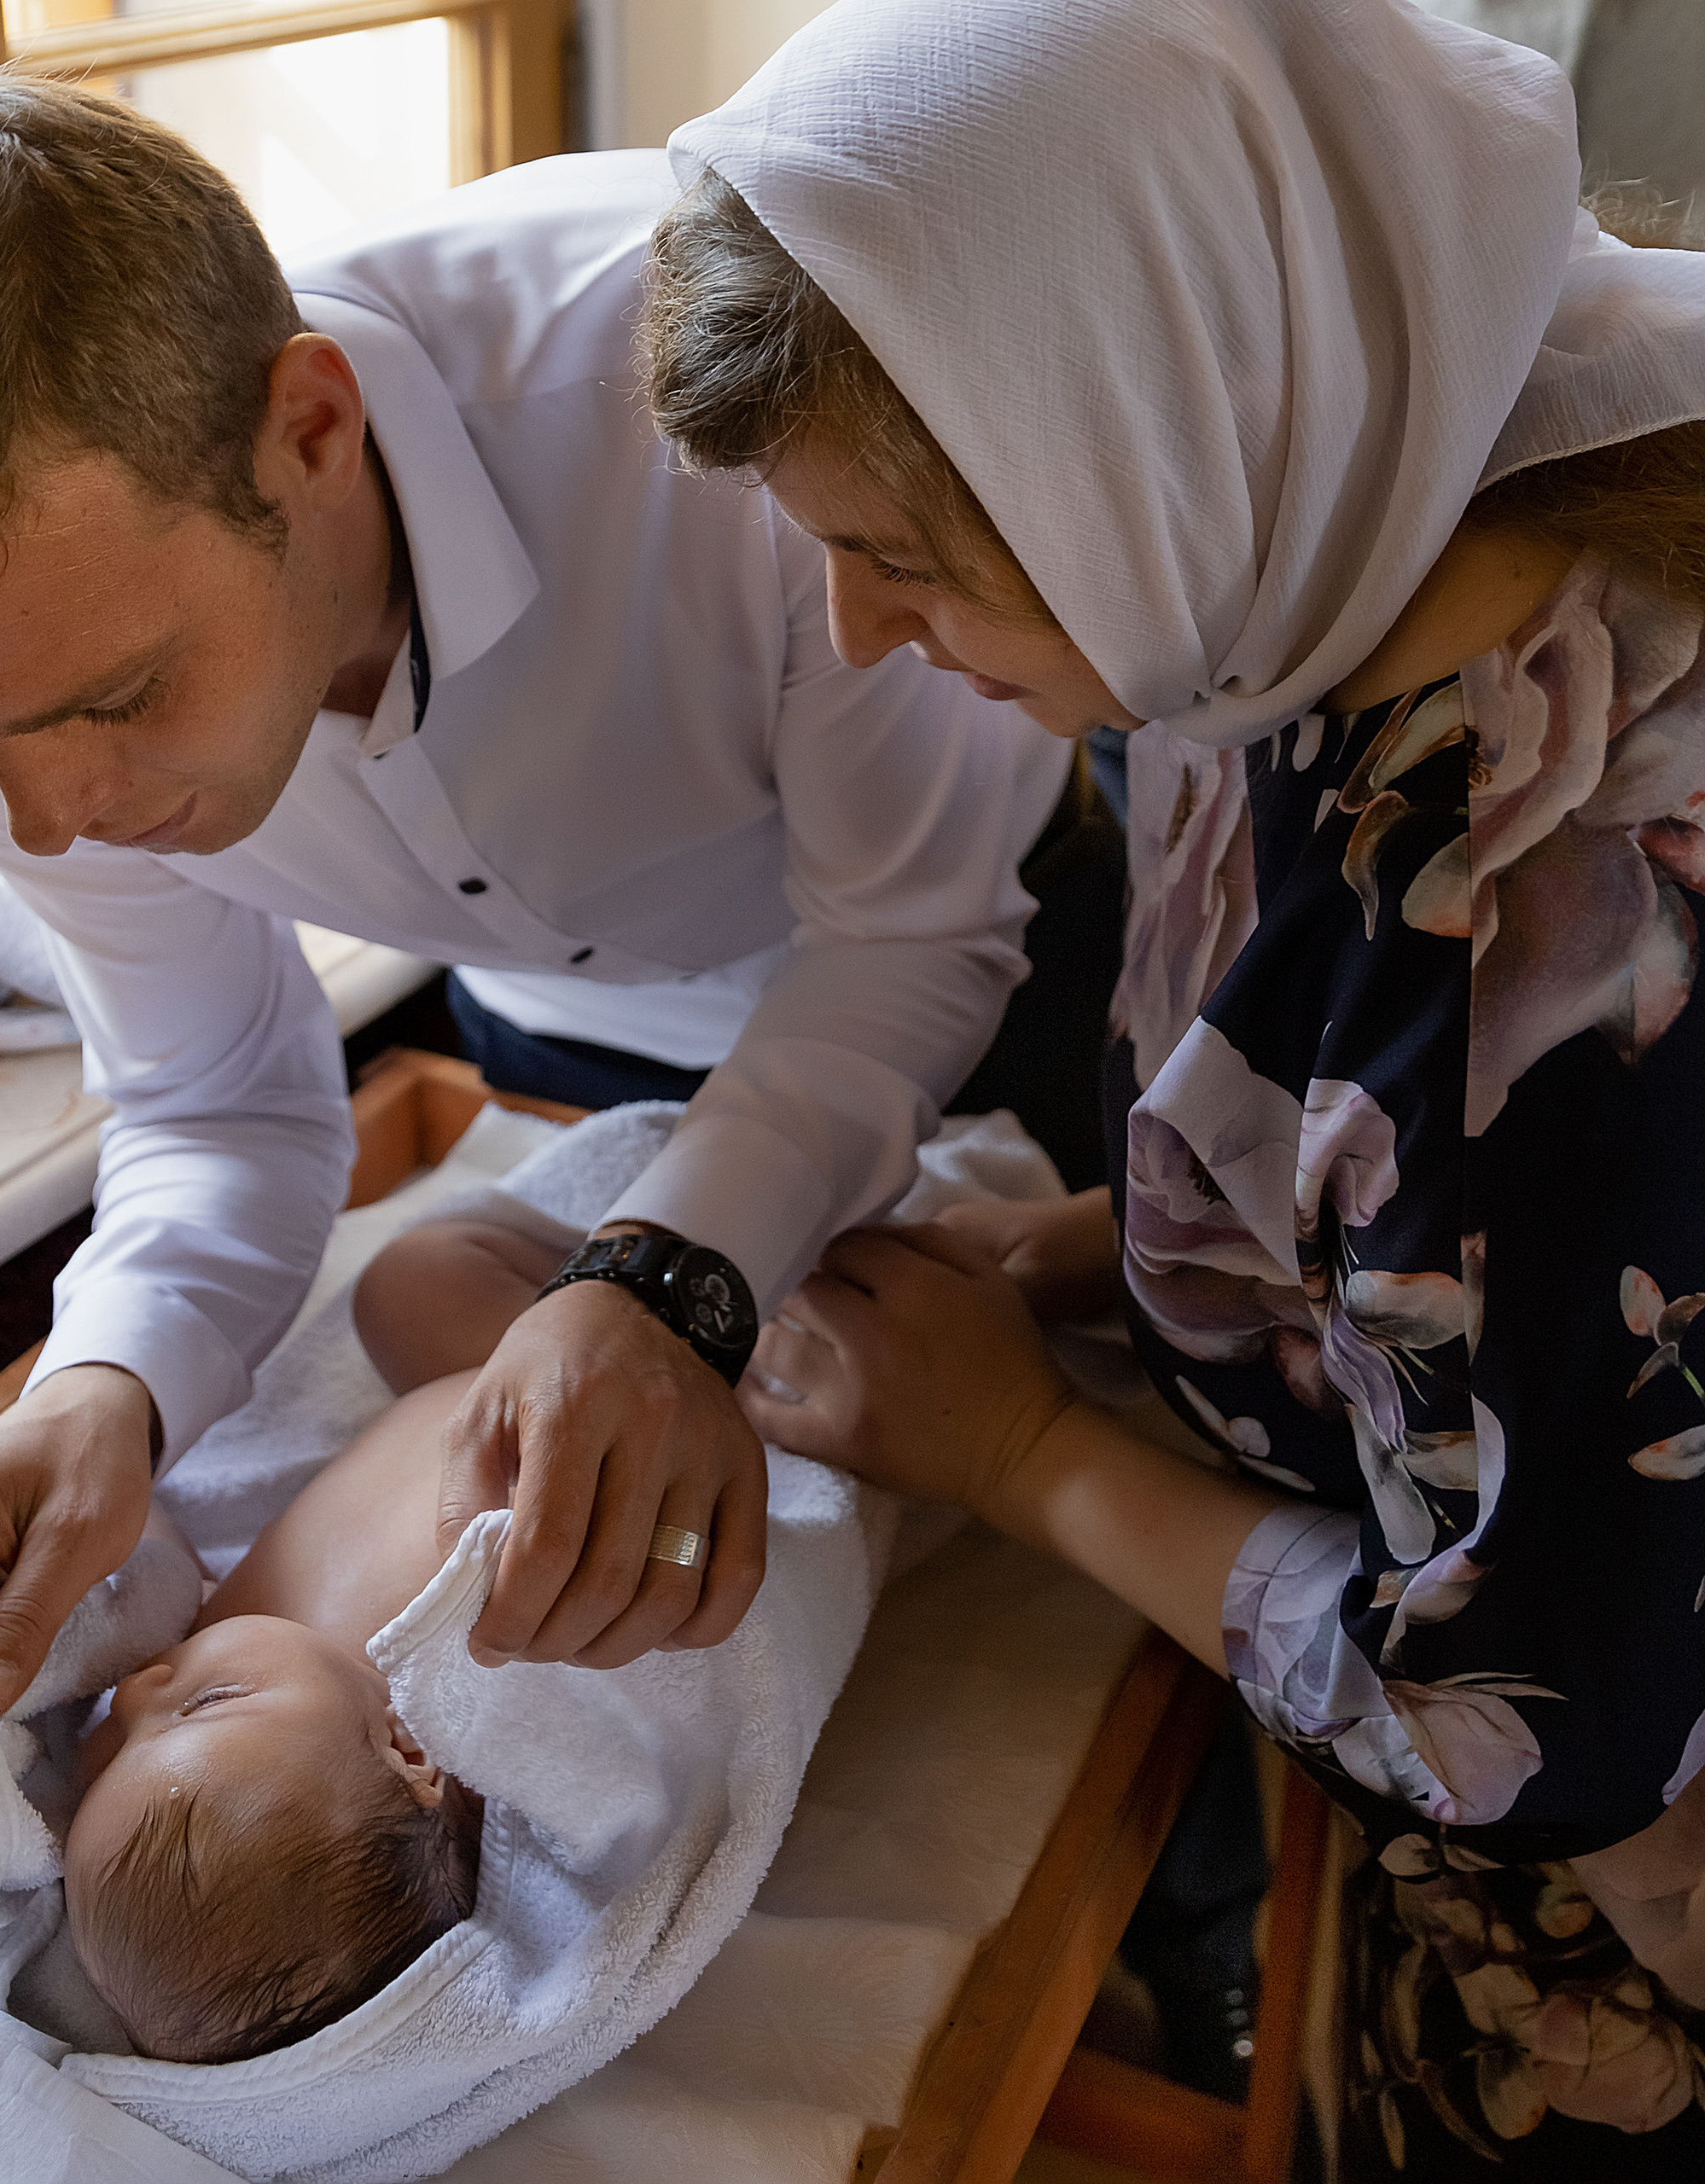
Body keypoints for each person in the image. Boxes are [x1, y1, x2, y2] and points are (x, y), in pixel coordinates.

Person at [0, 78, 1068, 1894]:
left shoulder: (723, 393)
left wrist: (664, 1273)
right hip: (563, 1014)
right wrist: (102, 1388)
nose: (57, 815)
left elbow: (905, 937)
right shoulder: (19, 689)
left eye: (114, 698)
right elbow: (220, 1099)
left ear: (308, 430)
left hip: (990, 930)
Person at [638, 0, 1705, 2171]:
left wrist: (1016, 1446)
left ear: (1155, 427)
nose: (848, 637)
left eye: (903, 559)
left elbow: (1532, 1727)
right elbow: (1372, 1206)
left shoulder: (1552, 957)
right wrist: (1111, 1257)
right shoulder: (1316, 557)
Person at [64, 1215, 560, 2065]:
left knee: (405, 1282)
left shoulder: (210, 1637)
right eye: (206, 1704)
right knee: (431, 1270)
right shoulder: (470, 1668)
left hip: (461, 1374)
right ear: (408, 1752)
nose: (139, 1693)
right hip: (543, 1403)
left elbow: (135, 1526)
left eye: (108, 1755)